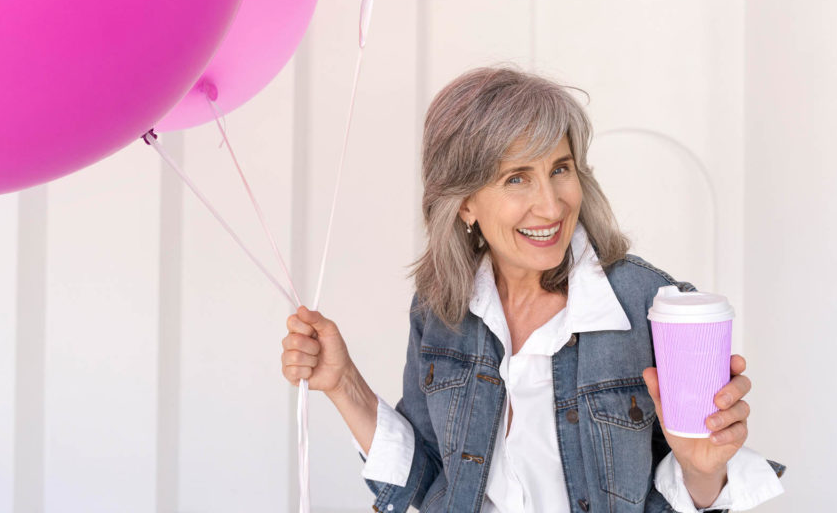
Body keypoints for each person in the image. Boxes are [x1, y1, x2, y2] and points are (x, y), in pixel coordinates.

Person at [280, 68, 785, 513]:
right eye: (517, 178)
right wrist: (342, 381)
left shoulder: (650, 305)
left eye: (559, 169)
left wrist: (702, 471)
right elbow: (433, 477)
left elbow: (692, 484)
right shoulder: (441, 308)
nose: (551, 205)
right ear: (464, 204)